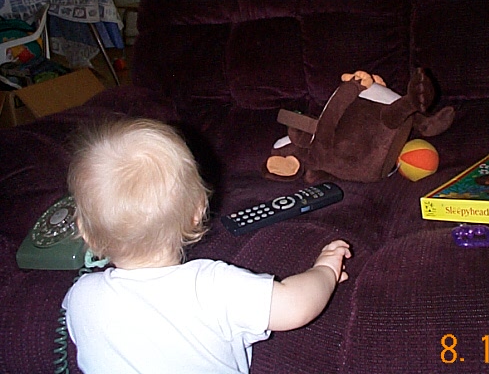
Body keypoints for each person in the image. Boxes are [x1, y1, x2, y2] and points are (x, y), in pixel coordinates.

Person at [62, 117, 351, 374]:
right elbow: (295, 305)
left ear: (85, 232)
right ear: (198, 211)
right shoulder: (212, 286)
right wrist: (325, 270)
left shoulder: (79, 297)